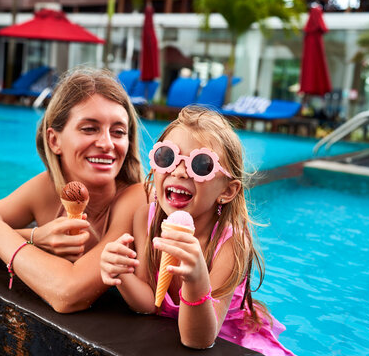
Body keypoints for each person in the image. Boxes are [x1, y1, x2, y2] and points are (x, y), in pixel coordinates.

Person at [0, 67, 146, 313]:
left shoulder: (137, 198)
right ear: (54, 140)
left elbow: (68, 293)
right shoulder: (46, 189)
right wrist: (36, 238)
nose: (107, 143)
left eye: (118, 132)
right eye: (90, 128)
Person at [100, 106, 294, 354]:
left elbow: (199, 340)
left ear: (227, 191)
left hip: (227, 340)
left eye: (201, 165)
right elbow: (150, 303)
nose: (179, 171)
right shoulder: (145, 219)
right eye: (167, 157)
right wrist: (121, 274)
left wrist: (196, 279)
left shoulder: (231, 243)